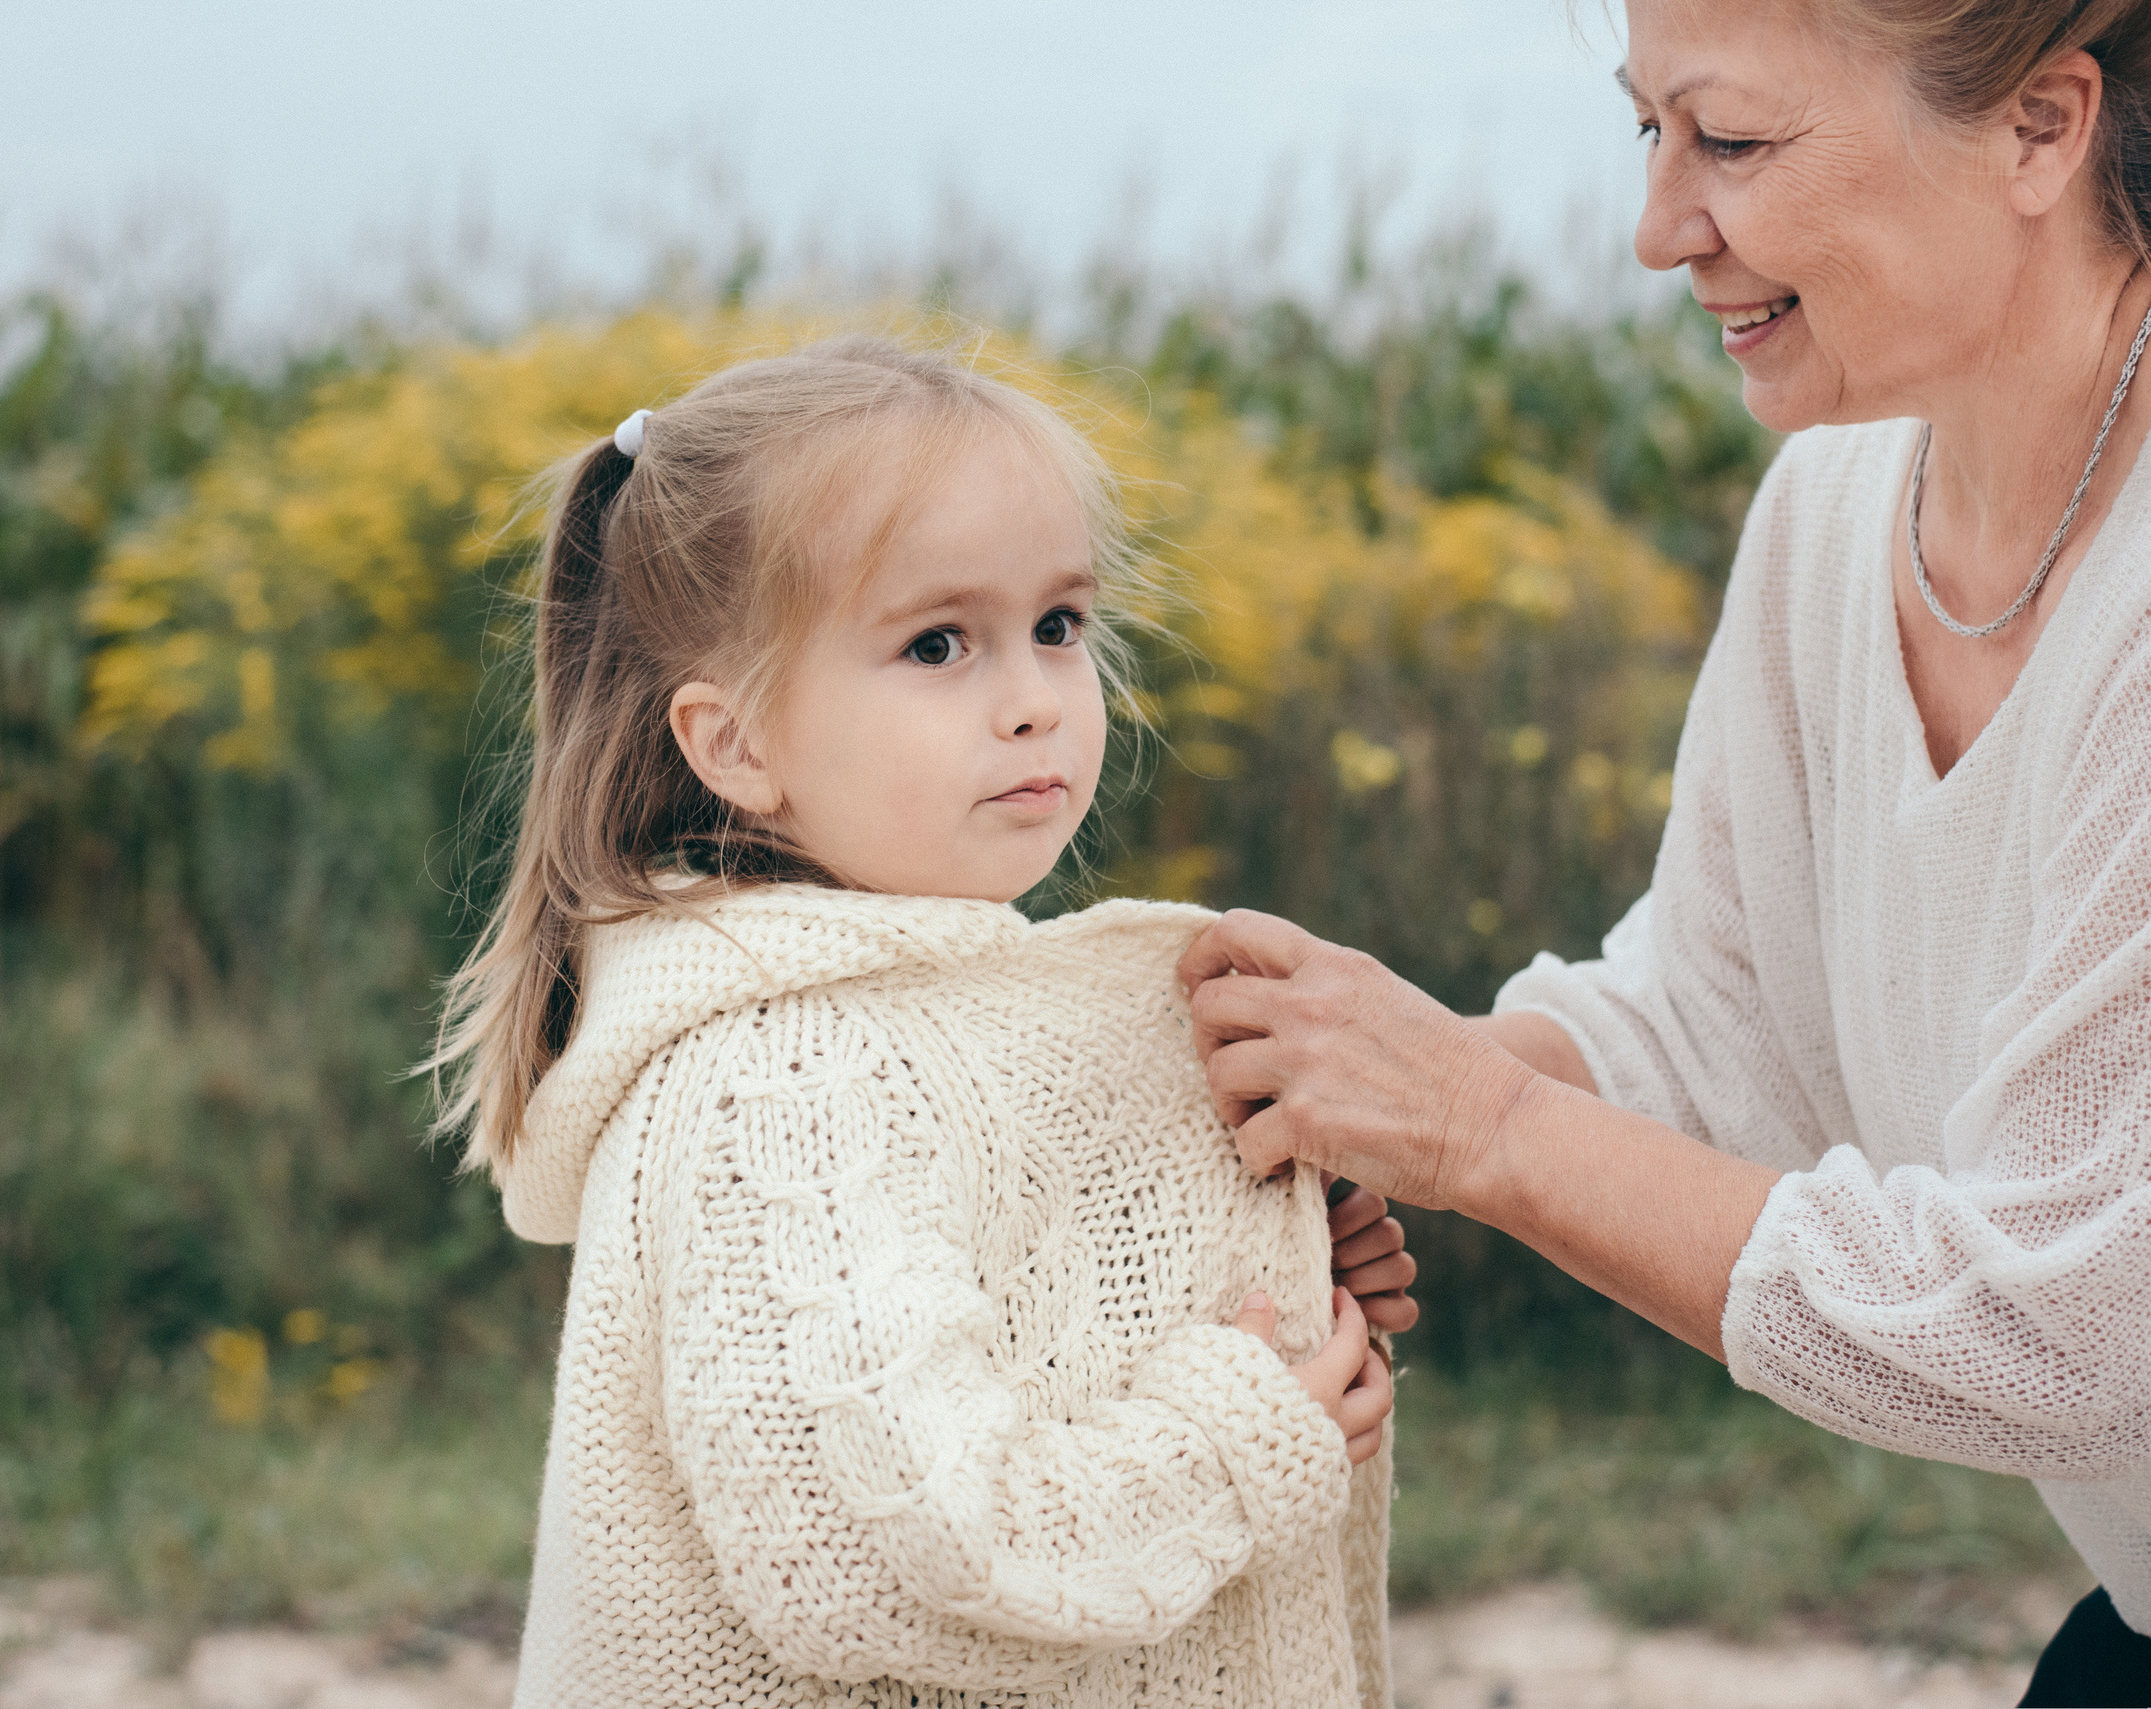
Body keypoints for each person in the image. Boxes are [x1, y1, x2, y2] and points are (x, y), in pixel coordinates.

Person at [1179, 2, 2151, 1703]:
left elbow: (2068, 1337)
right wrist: (1379, 1108)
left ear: (2038, 127)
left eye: (1732, 142)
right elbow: (1724, 1011)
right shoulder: (1844, 492)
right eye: (1649, 132)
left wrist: (1485, 1126)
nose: (1659, 231)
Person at [428, 337, 1414, 1708]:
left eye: (1057, 626)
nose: (1032, 700)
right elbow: (890, 1553)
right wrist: (1244, 1433)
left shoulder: (916, 1018)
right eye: (938, 643)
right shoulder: (780, 1076)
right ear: (737, 742)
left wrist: (1275, 1269)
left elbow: (1011, 1345)